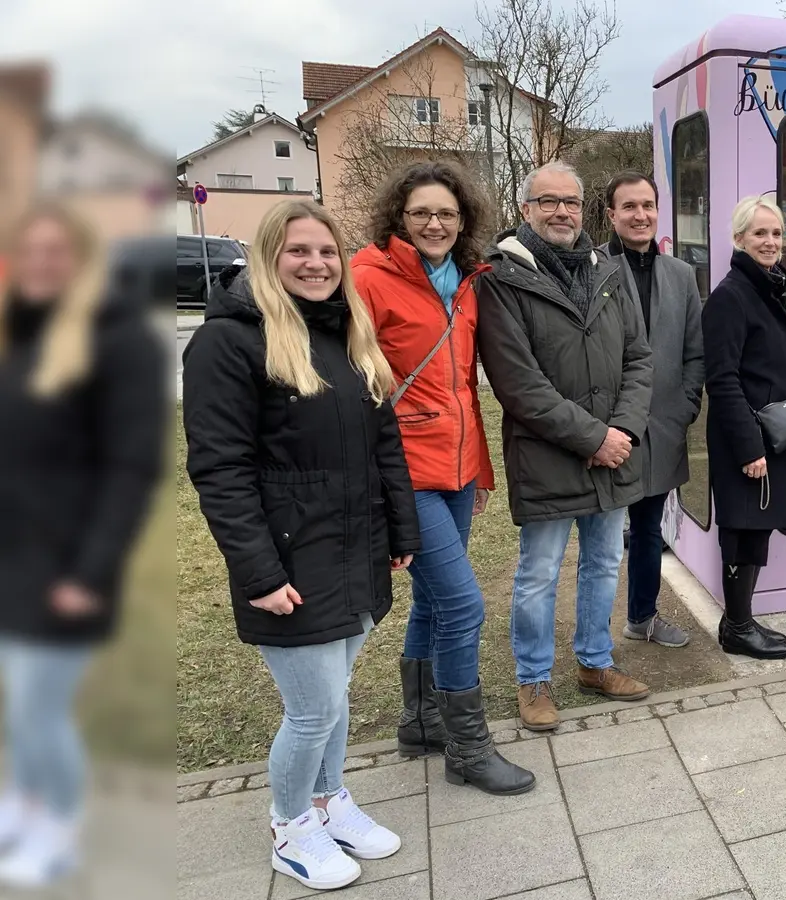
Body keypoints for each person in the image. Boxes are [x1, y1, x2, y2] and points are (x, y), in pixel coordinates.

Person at [184, 200, 419, 892]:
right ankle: (290, 824)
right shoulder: (229, 342)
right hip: (289, 558)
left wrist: (400, 530)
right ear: (267, 257)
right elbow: (220, 469)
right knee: (313, 707)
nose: (316, 264)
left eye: (326, 251)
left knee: (336, 697)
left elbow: (385, 443)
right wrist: (259, 571)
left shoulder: (346, 332)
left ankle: (327, 800)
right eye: (298, 252)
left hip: (353, 548)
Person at [351, 161, 533, 795]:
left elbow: (460, 387)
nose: (435, 223)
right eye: (422, 213)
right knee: (463, 605)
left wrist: (477, 470)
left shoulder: (467, 280)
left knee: (433, 600)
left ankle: (422, 721)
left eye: (447, 214)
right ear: (399, 217)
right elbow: (352, 380)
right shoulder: (368, 278)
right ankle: (467, 745)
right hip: (403, 470)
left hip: (455, 466)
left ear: (464, 221)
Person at [0, 205, 162, 887]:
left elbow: (131, 469)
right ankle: (28, 800)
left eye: (56, 252)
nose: (42, 265)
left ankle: (61, 824)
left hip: (70, 560)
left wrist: (91, 571)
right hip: (15, 554)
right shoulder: (23, 334)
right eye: (30, 252)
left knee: (41, 703)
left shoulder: (120, 342)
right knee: (19, 698)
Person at [478, 160, 654, 732]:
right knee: (539, 573)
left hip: (613, 451)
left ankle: (595, 663)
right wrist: (594, 437)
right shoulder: (502, 277)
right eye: (548, 201)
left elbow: (638, 359)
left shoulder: (609, 268)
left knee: (604, 563)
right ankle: (533, 680)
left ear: (585, 210)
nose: (561, 212)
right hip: (549, 453)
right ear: (526, 208)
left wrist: (621, 431)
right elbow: (519, 384)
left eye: (571, 203)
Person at [602, 171, 705, 650]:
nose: (640, 215)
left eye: (647, 205)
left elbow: (694, 352)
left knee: (647, 531)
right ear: (611, 214)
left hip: (663, 424)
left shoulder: (682, 275)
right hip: (605, 429)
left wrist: (685, 406)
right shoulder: (593, 268)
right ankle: (592, 637)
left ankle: (641, 617)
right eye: (629, 206)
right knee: (600, 538)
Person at [701, 196, 786, 659]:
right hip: (747, 440)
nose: (770, 241)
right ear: (739, 238)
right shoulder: (731, 296)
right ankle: (739, 627)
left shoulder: (764, 288)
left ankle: (737, 622)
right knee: (742, 530)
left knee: (756, 527)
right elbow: (721, 380)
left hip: (768, 437)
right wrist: (748, 449)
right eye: (760, 233)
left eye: (777, 233)